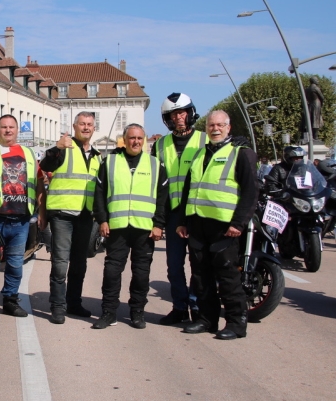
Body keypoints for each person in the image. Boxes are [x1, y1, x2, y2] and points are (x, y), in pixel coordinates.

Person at [177, 110, 258, 340]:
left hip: (225, 226)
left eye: (220, 125)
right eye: (211, 125)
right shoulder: (200, 153)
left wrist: (239, 223)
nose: (215, 129)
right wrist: (183, 221)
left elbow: (251, 192)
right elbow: (189, 189)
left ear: (228, 127)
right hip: (197, 223)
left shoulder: (241, 153)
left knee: (228, 276)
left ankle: (236, 323)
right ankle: (206, 319)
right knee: (201, 276)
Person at [92, 124, 168, 329]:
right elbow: (99, 193)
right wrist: (102, 219)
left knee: (141, 274)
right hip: (117, 227)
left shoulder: (155, 165)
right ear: (124, 140)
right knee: (111, 272)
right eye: (132, 138)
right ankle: (108, 312)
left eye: (139, 138)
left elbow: (163, 198)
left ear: (144, 141)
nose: (136, 142)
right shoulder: (110, 162)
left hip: (145, 229)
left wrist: (159, 224)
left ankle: (137, 312)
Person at [0, 114, 42, 321]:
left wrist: (40, 211)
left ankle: (10, 300)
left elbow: (38, 182)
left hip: (20, 219)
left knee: (15, 264)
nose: (8, 130)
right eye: (4, 127)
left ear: (17, 130)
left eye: (11, 127)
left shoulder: (29, 153)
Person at [39, 111, 101, 324]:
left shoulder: (96, 155)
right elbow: (45, 166)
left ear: (94, 128)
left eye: (89, 124)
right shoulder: (64, 148)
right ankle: (57, 306)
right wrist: (56, 148)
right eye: (82, 124)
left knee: (79, 263)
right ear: (75, 126)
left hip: (85, 215)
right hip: (62, 215)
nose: (86, 127)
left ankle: (74, 302)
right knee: (60, 263)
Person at [151, 92, 206, 326]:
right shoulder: (160, 145)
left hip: (197, 214)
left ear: (190, 113)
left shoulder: (206, 140)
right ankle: (179, 307)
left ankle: (197, 307)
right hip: (173, 215)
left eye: (182, 112)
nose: (179, 118)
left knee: (198, 265)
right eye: (174, 114)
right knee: (174, 266)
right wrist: (157, 220)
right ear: (168, 118)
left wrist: (241, 145)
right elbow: (154, 183)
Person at [305, 76, 324, 140]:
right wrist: (321, 104)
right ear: (314, 81)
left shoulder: (307, 89)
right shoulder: (316, 88)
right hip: (316, 104)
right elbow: (322, 97)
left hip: (310, 104)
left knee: (311, 119)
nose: (318, 81)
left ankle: (311, 136)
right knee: (316, 120)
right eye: (317, 80)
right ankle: (315, 137)